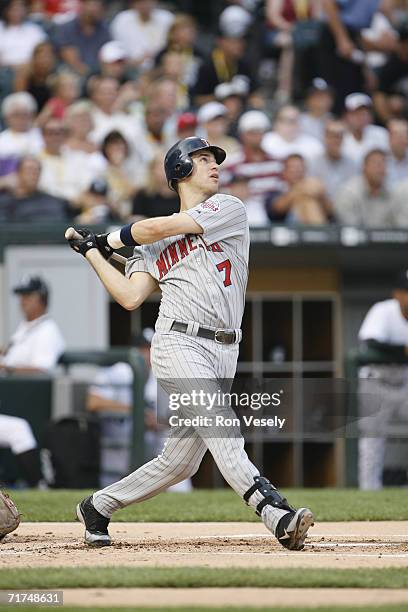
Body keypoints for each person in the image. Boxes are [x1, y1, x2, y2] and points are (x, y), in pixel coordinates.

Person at [66, 136, 314, 550]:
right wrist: (93, 254)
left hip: (225, 348)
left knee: (180, 462)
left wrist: (107, 241)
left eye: (212, 160)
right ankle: (276, 513)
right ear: (179, 171)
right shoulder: (150, 243)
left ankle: (98, 506)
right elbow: (130, 296)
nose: (213, 166)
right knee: (222, 424)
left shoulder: (227, 208)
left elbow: (156, 227)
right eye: (201, 160)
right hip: (178, 342)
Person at [0, 275, 65, 488]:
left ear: (42, 298)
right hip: (8, 401)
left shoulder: (47, 330)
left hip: (23, 403)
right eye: (21, 296)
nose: (22, 301)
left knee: (18, 429)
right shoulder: (24, 328)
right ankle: (37, 485)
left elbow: (42, 368)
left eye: (28, 296)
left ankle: (37, 485)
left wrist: (6, 366)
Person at [357, 269, 408, 490]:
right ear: (397, 294)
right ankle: (370, 491)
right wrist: (403, 350)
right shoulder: (383, 311)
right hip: (375, 382)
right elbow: (371, 344)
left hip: (403, 381)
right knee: (372, 439)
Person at [222, 110, 284, 226]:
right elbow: (224, 192)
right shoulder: (232, 164)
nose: (256, 136)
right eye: (251, 133)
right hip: (243, 209)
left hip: (273, 212)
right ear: (242, 135)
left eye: (259, 132)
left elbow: (281, 189)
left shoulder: (276, 162)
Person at [334, 148, 404, 227]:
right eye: (377, 165)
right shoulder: (349, 192)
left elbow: (399, 228)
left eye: (384, 164)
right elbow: (350, 229)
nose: (381, 169)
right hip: (354, 238)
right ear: (364, 167)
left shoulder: (391, 193)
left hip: (385, 238)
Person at [266, 153, 333, 225]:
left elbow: (331, 211)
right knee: (305, 201)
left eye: (300, 167)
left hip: (315, 223)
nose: (297, 171)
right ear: (284, 172)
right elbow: (278, 208)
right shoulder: (277, 190)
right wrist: (301, 189)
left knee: (308, 201)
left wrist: (321, 195)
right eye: (293, 168)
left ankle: (317, 234)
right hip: (286, 230)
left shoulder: (313, 191)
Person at [110, 0, 174, 71]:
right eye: (140, 2)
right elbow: (116, 49)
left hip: (161, 68)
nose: (145, 5)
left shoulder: (167, 18)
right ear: (132, 4)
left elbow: (174, 46)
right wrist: (133, 62)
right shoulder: (121, 20)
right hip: (130, 70)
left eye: (148, 1)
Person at [0, 156, 69, 221]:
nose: (34, 174)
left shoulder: (51, 202)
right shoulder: (5, 202)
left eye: (37, 170)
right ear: (18, 173)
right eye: (29, 170)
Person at [54, 0, 110, 76]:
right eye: (92, 5)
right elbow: (72, 61)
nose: (94, 9)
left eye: (98, 5)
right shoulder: (67, 28)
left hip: (98, 74)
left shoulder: (104, 29)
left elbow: (107, 55)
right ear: (82, 5)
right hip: (72, 73)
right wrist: (89, 76)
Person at [307, 119, 357, 200]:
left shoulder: (352, 163)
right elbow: (310, 190)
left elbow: (354, 192)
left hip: (345, 206)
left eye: (339, 136)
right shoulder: (313, 162)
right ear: (325, 137)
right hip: (322, 204)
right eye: (331, 136)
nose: (335, 140)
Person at [0, 92, 43, 178]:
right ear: (7, 117)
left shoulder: (43, 135)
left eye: (25, 114)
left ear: (32, 115)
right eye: (16, 115)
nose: (21, 119)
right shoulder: (2, 140)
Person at [342, 93, 389, 165]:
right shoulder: (340, 136)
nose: (361, 117)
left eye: (364, 113)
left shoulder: (381, 134)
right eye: (356, 113)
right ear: (347, 115)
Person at [131, 151, 179, 220]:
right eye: (160, 167)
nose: (164, 171)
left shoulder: (183, 193)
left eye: (167, 166)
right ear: (152, 171)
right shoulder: (143, 195)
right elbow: (135, 219)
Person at [0, 0, 47, 68]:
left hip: (31, 69)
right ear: (6, 9)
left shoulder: (34, 29)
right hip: (4, 70)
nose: (17, 12)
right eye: (14, 8)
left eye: (20, 7)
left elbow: (44, 51)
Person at [386, 118, 408, 184]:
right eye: (399, 136)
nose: (403, 140)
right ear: (389, 137)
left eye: (406, 136)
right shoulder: (382, 160)